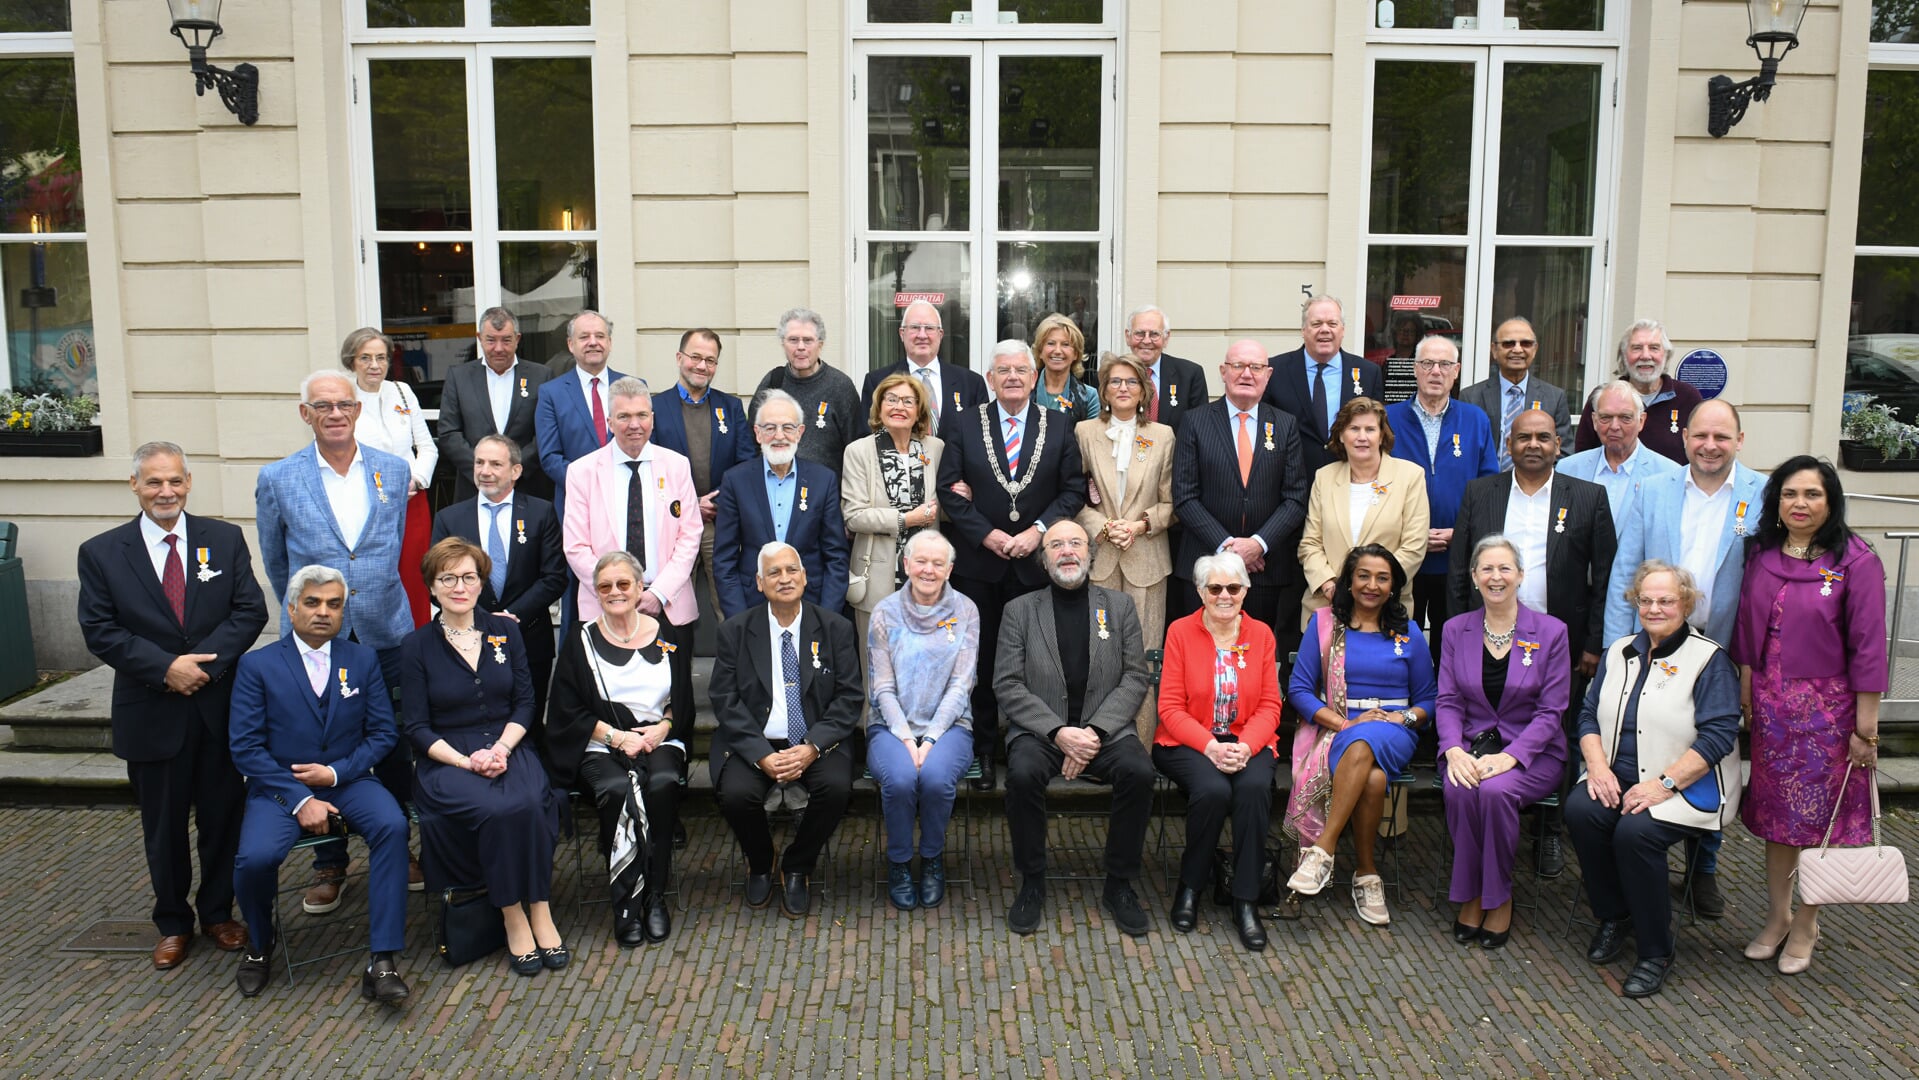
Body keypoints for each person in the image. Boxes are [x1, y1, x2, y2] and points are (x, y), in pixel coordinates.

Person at [76, 441, 269, 970]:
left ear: (189, 483)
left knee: (223, 819)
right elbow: (99, 629)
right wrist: (166, 668)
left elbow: (249, 609)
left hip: (217, 708)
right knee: (162, 829)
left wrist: (205, 665)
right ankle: (172, 922)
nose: (167, 492)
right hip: (151, 710)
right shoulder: (101, 552)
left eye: (176, 481)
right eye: (155, 482)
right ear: (134, 486)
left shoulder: (223, 540)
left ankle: (218, 913)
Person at [254, 369, 419, 912]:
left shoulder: (392, 471)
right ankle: (329, 862)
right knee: (315, 745)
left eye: (343, 404)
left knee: (391, 741)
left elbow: (389, 548)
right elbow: (279, 564)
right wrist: (310, 615)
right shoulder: (279, 477)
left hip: (384, 629)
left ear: (357, 411)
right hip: (314, 636)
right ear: (306, 414)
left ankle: (396, 848)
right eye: (321, 406)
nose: (334, 414)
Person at [1603, 398, 1766, 916]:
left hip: (1721, 648)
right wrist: (1617, 645)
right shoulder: (1654, 489)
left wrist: (1751, 664)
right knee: (1654, 743)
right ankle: (1637, 852)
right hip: (1652, 643)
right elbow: (1625, 570)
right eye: (1700, 436)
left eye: (1721, 437)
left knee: (1711, 750)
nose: (1710, 446)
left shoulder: (1762, 495)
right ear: (1685, 438)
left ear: (1739, 440)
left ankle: (1704, 868)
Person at [1731, 456, 1887, 976]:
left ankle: (1806, 924)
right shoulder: (1761, 553)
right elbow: (1748, 634)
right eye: (1790, 494)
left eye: (1812, 495)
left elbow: (1868, 649)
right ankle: (1777, 918)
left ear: (1830, 501)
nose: (1800, 504)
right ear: (1777, 500)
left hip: (1829, 716)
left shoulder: (1856, 561)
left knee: (1817, 826)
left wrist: (1866, 730)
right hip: (1772, 712)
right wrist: (1748, 695)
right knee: (1778, 823)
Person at [227, 566, 412, 1002]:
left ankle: (382, 959)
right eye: (312, 602)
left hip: (348, 779)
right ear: (291, 609)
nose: (323, 612)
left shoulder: (361, 660)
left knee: (393, 826)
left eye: (334, 604)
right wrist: (300, 799)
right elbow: (246, 749)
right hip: (280, 789)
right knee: (254, 858)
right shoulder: (256, 666)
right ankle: (259, 942)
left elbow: (383, 734)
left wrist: (336, 773)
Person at [1447, 408, 1616, 877]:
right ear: (1509, 443)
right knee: (1489, 719)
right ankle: (1477, 818)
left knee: (1549, 728)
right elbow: (1462, 567)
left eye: (1543, 437)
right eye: (1523, 437)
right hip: (1487, 632)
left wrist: (1594, 643)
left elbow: (1603, 576)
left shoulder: (1587, 497)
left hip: (1560, 638)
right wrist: (1458, 632)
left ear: (1558, 443)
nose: (1534, 445)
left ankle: (1546, 833)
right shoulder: (1481, 493)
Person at [1567, 561, 1743, 998]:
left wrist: (1663, 785)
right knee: (1581, 811)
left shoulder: (1709, 660)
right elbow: (1587, 715)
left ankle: (1655, 950)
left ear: (1685, 602)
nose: (1654, 608)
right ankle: (1615, 915)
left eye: (1665, 600)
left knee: (1635, 833)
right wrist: (1598, 767)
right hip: (1615, 775)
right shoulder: (1617, 651)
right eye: (1646, 600)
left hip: (1684, 786)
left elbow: (1720, 735)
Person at [400, 538, 563, 976]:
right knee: (498, 808)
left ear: (480, 582)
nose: (459, 586)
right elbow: (415, 727)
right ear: (432, 587)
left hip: (508, 744)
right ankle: (512, 913)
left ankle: (541, 908)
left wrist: (501, 748)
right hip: (448, 759)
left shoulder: (505, 631)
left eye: (468, 577)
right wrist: (466, 760)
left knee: (531, 801)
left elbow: (526, 702)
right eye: (447, 578)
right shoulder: (415, 647)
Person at [938, 340, 1088, 790]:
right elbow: (948, 489)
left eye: (1021, 370)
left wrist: (1038, 531)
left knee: (1038, 660)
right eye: (1003, 370)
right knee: (981, 661)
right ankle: (983, 750)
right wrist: (988, 534)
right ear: (990, 378)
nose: (1013, 378)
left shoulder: (1060, 425)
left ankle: (1034, 744)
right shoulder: (964, 424)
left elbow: (1073, 490)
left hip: (1034, 567)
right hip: (979, 565)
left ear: (1034, 375)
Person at [995, 521, 1156, 938]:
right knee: (1022, 774)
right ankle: (1031, 881)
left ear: (1090, 554)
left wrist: (1094, 733)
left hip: (1106, 732)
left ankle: (1119, 885)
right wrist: (1059, 733)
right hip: (1040, 733)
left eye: (1076, 543)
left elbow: (1135, 677)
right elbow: (1008, 684)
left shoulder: (1119, 607)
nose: (1067, 551)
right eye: (1056, 545)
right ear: (1043, 559)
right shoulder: (1020, 610)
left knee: (1139, 773)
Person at [1284, 545, 1437, 927]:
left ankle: (1323, 850)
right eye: (1364, 576)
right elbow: (1300, 691)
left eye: (1382, 578)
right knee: (1373, 778)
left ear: (1393, 587)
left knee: (1369, 740)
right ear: (1349, 582)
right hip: (1340, 730)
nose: (1372, 585)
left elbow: (1429, 701)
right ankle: (1367, 875)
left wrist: (1400, 717)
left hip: (1394, 729)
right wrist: (1343, 724)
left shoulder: (1410, 634)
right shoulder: (1322, 626)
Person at [709, 543, 864, 918]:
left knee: (836, 788)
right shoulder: (735, 631)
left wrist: (812, 747)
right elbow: (724, 698)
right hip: (756, 743)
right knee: (735, 795)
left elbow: (849, 697)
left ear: (805, 577)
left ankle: (797, 865)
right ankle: (762, 862)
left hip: (816, 742)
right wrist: (761, 753)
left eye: (792, 570)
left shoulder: (835, 628)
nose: (784, 579)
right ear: (759, 583)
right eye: (774, 573)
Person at [544, 551, 690, 946]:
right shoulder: (580, 639)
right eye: (605, 586)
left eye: (624, 584)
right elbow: (566, 709)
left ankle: (655, 897)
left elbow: (683, 700)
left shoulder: (667, 633)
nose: (615, 592)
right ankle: (626, 904)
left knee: (661, 783)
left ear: (640, 587)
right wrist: (615, 737)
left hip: (658, 738)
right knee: (616, 790)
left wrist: (663, 727)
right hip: (600, 742)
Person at [1436, 535, 1571, 949]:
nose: (1496, 577)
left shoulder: (1550, 631)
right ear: (1474, 577)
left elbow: (1552, 711)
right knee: (1459, 789)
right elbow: (1447, 700)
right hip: (1468, 747)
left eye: (1504, 568)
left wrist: (1511, 757)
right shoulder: (1455, 629)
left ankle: (1498, 897)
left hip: (1533, 753)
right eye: (1487, 569)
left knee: (1494, 793)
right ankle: (1472, 893)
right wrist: (1454, 749)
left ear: (1520, 575)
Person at [561, 377, 703, 739]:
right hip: (604, 605)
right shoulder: (582, 471)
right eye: (623, 416)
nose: (634, 424)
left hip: (667, 603)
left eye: (641, 415)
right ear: (609, 422)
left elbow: (690, 535)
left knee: (676, 695)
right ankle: (612, 761)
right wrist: (618, 594)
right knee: (606, 694)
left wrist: (658, 593)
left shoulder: (676, 465)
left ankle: (676, 764)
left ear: (653, 419)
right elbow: (575, 545)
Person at [1153, 552, 1281, 952]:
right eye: (1214, 588)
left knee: (1254, 789)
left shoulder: (1261, 635)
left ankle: (1245, 900)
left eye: (1233, 588)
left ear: (1246, 590)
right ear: (1200, 591)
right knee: (1212, 791)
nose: (1224, 595)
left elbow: (1270, 706)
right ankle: (1190, 887)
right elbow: (1169, 707)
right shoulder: (1180, 631)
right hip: (1188, 740)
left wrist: (1244, 747)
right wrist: (1210, 746)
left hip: (1247, 740)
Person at [1171, 340, 1310, 654]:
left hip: (1265, 570)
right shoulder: (1195, 422)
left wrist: (1258, 544)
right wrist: (1230, 548)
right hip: (1204, 565)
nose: (1247, 374)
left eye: (1256, 367)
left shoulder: (1285, 425)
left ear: (1268, 374)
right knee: (1201, 657)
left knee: (1254, 659)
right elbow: (1184, 496)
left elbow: (1295, 497)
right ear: (1223, 371)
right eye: (1238, 366)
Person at [865, 530, 980, 911]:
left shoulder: (966, 611)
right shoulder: (884, 611)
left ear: (949, 569)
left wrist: (929, 739)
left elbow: (962, 685)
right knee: (898, 780)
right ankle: (899, 864)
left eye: (937, 563)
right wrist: (904, 737)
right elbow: (881, 685)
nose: (928, 570)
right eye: (920, 561)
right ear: (905, 564)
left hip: (949, 729)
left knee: (933, 779)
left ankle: (931, 859)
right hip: (890, 727)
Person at [429, 434, 567, 725]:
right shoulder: (449, 518)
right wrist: (478, 617)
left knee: (527, 728)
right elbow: (435, 581)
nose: (484, 471)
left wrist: (511, 616)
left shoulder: (541, 513)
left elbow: (554, 577)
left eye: (495, 463)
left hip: (529, 639)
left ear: (516, 471)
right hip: (465, 641)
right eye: (479, 462)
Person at [1386, 335, 1499, 660]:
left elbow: (1488, 485)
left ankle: (1446, 708)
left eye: (1445, 364)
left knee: (1452, 643)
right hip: (1404, 556)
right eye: (1427, 364)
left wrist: (1460, 531)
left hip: (1457, 555)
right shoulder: (1388, 419)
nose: (1436, 371)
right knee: (1402, 641)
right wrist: (1415, 535)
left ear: (1457, 371)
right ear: (1415, 370)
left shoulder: (1475, 419)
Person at [1074, 351, 1177, 666]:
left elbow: (1172, 501)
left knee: (1142, 653)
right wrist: (1103, 527)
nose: (1123, 388)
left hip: (1147, 557)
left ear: (1144, 390)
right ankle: (1098, 717)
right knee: (1098, 648)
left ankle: (1143, 719)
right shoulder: (1084, 432)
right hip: (1100, 557)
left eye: (1132, 381)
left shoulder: (1162, 436)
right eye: (1115, 381)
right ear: (1103, 390)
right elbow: (1072, 494)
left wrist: (1140, 526)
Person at [647, 329, 758, 612]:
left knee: (727, 603)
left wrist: (716, 502)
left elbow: (745, 463)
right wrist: (690, 505)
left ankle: (733, 658)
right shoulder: (655, 407)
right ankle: (675, 658)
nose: (701, 366)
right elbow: (650, 469)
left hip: (717, 523)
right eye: (695, 357)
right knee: (672, 603)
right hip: (673, 523)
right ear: (679, 357)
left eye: (710, 360)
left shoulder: (730, 406)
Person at [715, 389, 851, 618]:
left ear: (800, 433)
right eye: (770, 428)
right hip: (752, 607)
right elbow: (724, 560)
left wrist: (825, 617)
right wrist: (740, 619)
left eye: (788, 427)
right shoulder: (735, 481)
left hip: (811, 606)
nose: (779, 436)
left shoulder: (822, 480)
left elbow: (836, 558)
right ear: (757, 434)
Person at [1298, 396, 1429, 627]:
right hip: (1328, 609)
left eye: (1370, 429)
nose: (1362, 437)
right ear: (1341, 435)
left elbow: (1414, 546)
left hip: (1386, 610)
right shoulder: (1324, 477)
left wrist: (1374, 586)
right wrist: (1332, 587)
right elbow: (1310, 544)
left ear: (1381, 435)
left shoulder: (1410, 476)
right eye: (1354, 428)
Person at [342, 327, 437, 627]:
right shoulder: (343, 398)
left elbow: (427, 447)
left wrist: (417, 479)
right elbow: (341, 457)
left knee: (414, 578)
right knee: (377, 577)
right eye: (366, 358)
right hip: (367, 507)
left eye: (381, 358)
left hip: (411, 502)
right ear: (352, 361)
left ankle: (418, 643)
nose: (375, 365)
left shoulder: (401, 391)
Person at [844, 373, 946, 650]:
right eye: (891, 400)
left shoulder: (935, 449)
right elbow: (853, 515)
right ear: (879, 407)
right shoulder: (859, 451)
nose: (898, 407)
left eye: (907, 401)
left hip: (925, 574)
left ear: (919, 411)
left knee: (921, 662)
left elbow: (945, 503)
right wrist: (905, 520)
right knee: (877, 666)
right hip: (876, 575)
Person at [437, 306, 554, 503]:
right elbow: (449, 432)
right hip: (473, 489)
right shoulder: (459, 377)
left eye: (506, 340)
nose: (498, 348)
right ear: (479, 338)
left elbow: (546, 432)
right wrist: (483, 470)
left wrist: (513, 471)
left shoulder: (541, 376)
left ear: (517, 339)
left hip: (526, 488)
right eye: (491, 340)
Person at [1264, 295, 1386, 473]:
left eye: (1332, 324)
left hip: (1349, 478)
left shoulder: (1368, 373)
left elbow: (1377, 429)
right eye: (1316, 324)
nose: (1325, 330)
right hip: (1292, 481)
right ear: (1303, 330)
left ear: (1343, 330)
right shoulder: (1275, 371)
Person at [534, 310, 629, 524]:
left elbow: (645, 444)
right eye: (584, 337)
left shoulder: (633, 387)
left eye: (600, 336)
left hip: (627, 500)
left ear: (610, 342)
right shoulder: (551, 393)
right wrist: (590, 484)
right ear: (570, 345)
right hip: (576, 504)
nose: (593, 342)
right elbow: (550, 457)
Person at [750, 307, 864, 472]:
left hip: (825, 493)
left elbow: (855, 449)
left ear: (820, 344)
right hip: (775, 488)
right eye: (793, 340)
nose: (801, 347)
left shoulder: (840, 387)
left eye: (808, 340)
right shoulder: (772, 382)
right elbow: (752, 440)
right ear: (783, 343)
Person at [1572, 319, 1702, 463]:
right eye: (1637, 348)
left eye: (1654, 348)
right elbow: (1584, 454)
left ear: (1666, 355)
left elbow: (1700, 450)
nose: (1645, 356)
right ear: (1623, 355)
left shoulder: (1687, 397)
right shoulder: (1604, 397)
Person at [1558, 380, 1681, 530]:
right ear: (1594, 421)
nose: (1614, 426)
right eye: (1606, 417)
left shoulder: (1669, 474)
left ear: (1641, 421)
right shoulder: (1569, 469)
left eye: (1625, 418)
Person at [859, 299, 989, 441]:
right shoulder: (877, 381)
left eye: (929, 328)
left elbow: (982, 438)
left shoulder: (971, 383)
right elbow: (869, 436)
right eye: (915, 327)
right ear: (902, 334)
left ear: (940, 334)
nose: (922, 335)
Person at [1461, 318, 1574, 468]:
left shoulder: (1554, 397)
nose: (1517, 349)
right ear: (1494, 350)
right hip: (1486, 486)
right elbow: (1464, 450)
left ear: (1534, 350)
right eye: (1509, 343)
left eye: (1525, 344)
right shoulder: (1471, 397)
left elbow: (1563, 454)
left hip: (1537, 487)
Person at [1122, 304, 1209, 436]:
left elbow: (1201, 430)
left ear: (1166, 338)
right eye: (1139, 333)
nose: (1146, 340)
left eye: (1154, 334)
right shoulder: (1111, 377)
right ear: (1128, 336)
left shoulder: (1190, 375)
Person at [1032, 313, 1100, 423]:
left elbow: (1088, 438)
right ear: (1040, 351)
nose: (1058, 351)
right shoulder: (1025, 391)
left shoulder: (1089, 397)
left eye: (1065, 344)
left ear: (1076, 354)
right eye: (1051, 343)